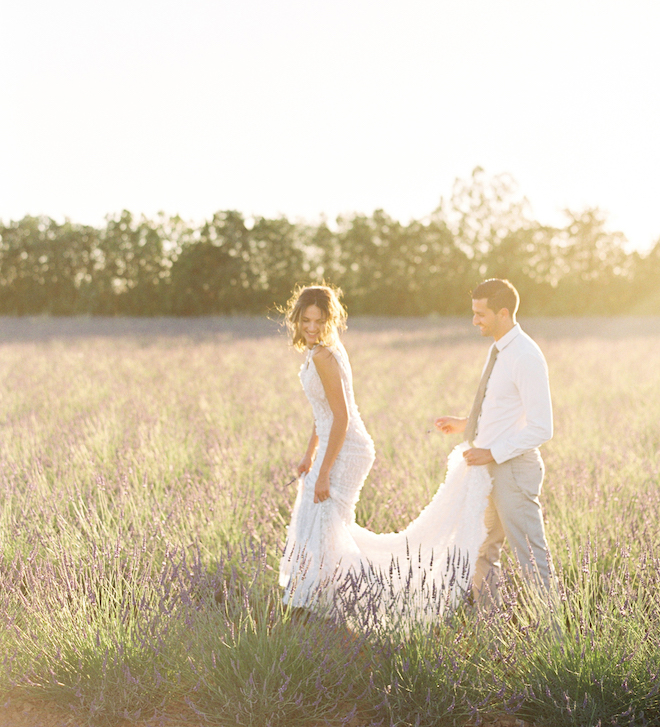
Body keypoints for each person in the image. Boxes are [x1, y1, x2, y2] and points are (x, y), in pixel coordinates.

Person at [279, 284, 492, 621]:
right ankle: (322, 598)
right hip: (337, 439)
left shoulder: (323, 355)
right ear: (296, 318)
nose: (311, 327)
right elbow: (321, 412)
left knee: (323, 518)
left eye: (319, 321)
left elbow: (341, 417)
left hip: (347, 447)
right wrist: (309, 455)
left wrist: (322, 473)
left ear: (330, 320)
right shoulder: (318, 351)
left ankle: (340, 599)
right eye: (306, 320)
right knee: (321, 520)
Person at [435, 278, 554, 603]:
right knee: (483, 550)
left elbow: (542, 428)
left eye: (480, 314)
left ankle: (556, 641)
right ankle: (488, 630)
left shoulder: (525, 356)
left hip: (513, 472)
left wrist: (492, 452)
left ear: (503, 313)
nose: (474, 321)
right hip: (490, 469)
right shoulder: (499, 348)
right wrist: (466, 424)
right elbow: (500, 407)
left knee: (531, 558)